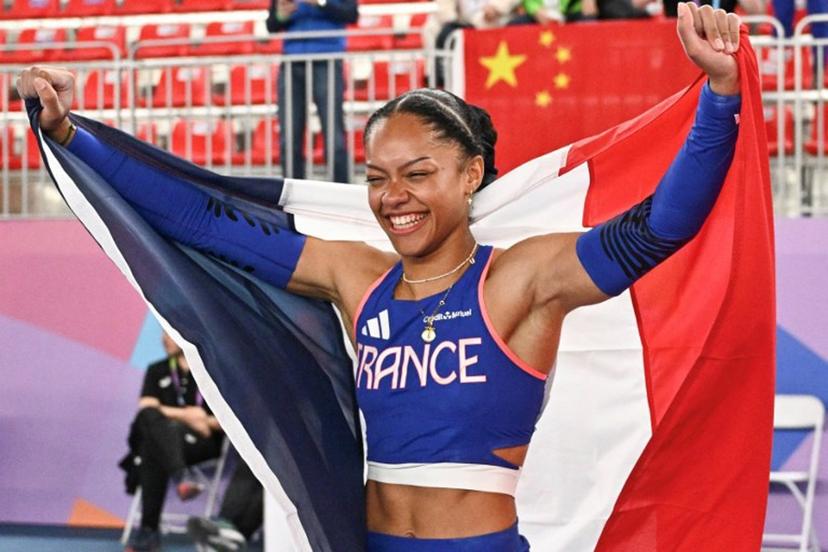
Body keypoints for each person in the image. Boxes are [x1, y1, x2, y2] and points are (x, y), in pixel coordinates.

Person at [18, 3, 743, 549]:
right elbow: (206, 222)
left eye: (417, 174)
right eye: (376, 178)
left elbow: (662, 226)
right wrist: (70, 136)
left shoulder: (521, 279)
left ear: (471, 174)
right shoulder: (356, 276)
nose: (393, 197)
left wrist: (720, 94)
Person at [121, 333, 225, 552]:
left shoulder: (214, 371)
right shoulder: (157, 369)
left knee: (153, 444)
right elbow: (146, 407)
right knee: (153, 432)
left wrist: (203, 421)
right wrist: (189, 416)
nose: (164, 340)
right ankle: (181, 477)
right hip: (170, 443)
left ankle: (148, 532)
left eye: (170, 334)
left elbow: (227, 422)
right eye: (163, 334)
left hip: (202, 443)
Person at [265, 0, 357, 183]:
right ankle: (292, 195)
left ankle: (342, 192)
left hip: (327, 59)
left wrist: (320, 2)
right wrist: (281, 15)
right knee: (289, 136)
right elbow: (271, 24)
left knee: (334, 134)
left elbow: (351, 14)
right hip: (292, 62)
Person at [187, 459, 264, 552]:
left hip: (229, 522)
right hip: (236, 527)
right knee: (263, 493)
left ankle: (225, 536)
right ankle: (226, 537)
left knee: (248, 471)